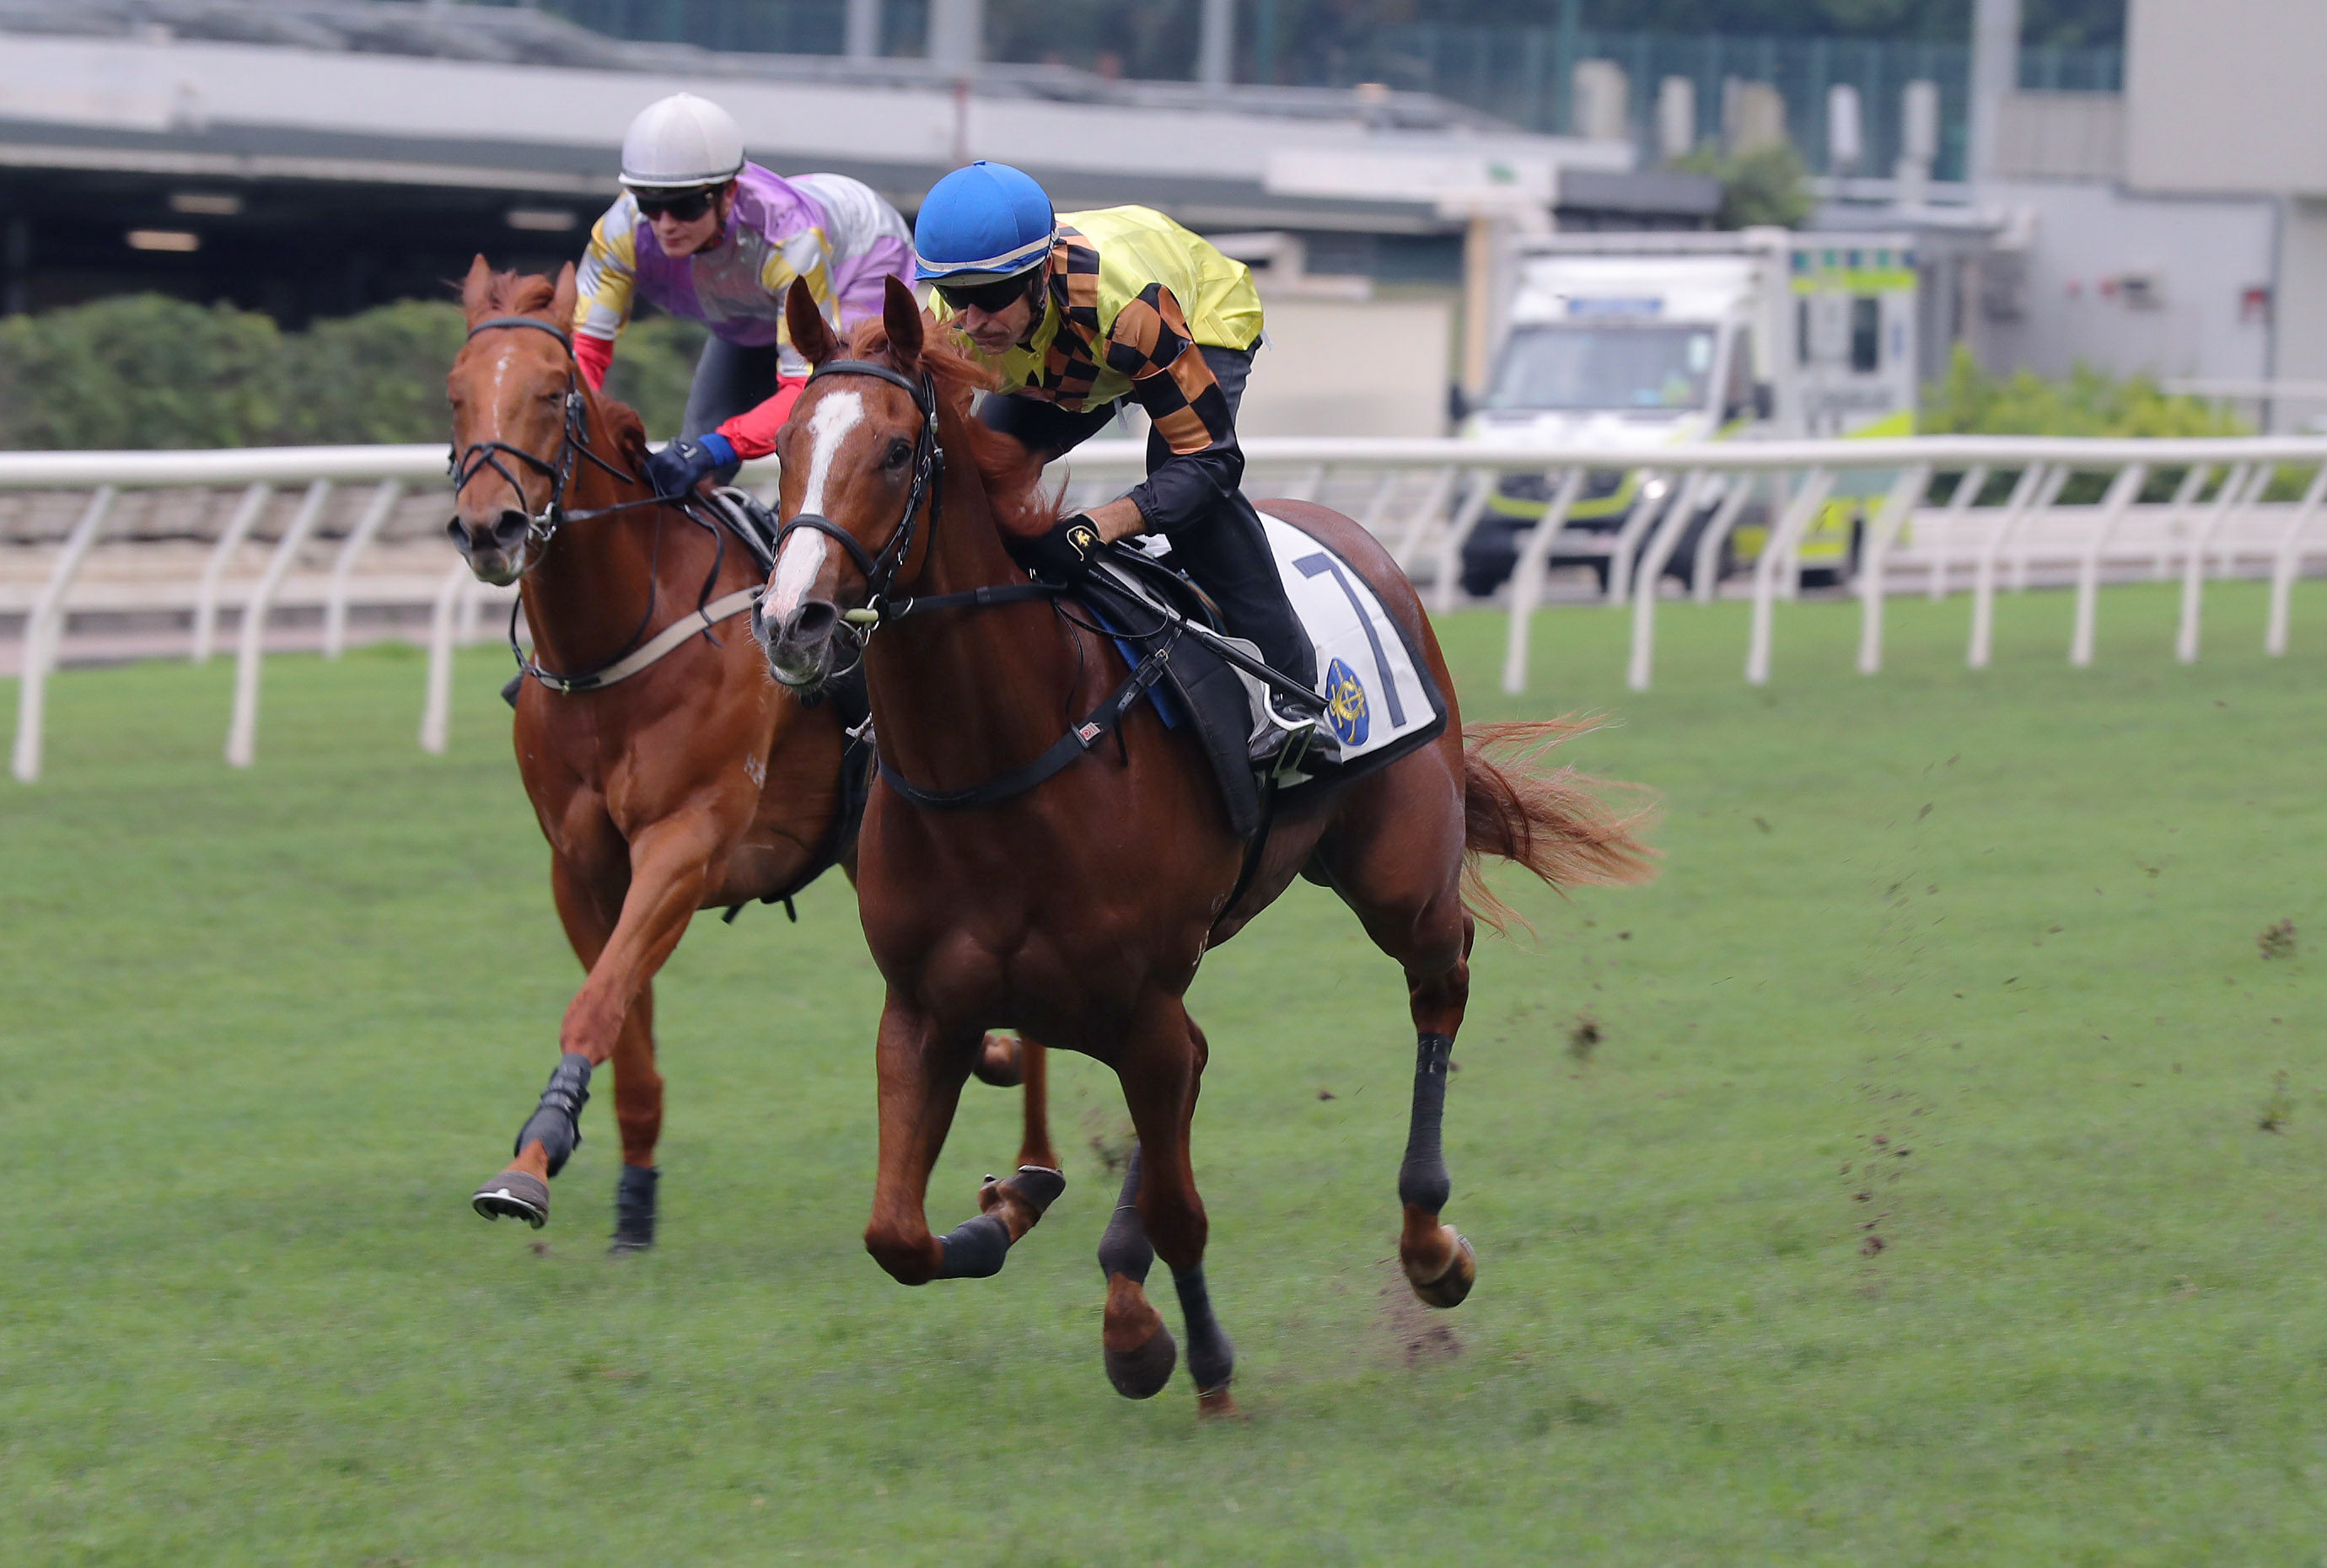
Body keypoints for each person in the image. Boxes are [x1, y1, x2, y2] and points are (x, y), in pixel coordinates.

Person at [912, 160, 1320, 765]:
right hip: (1073, 354)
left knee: (1187, 502)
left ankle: (1296, 695)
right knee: (981, 479)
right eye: (956, 297)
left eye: (990, 297)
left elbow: (1209, 461)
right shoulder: (951, 324)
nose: (971, 321)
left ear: (1038, 271)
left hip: (1194, 315)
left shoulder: (1130, 308)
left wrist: (1093, 526)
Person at [571, 92, 918, 497]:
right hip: (756, 298)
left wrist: (719, 447)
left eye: (685, 206)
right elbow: (583, 357)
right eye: (649, 203)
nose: (665, 224)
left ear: (728, 194)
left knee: (830, 433)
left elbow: (799, 387)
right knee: (687, 469)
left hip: (859, 265)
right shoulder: (619, 231)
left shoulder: (790, 241)